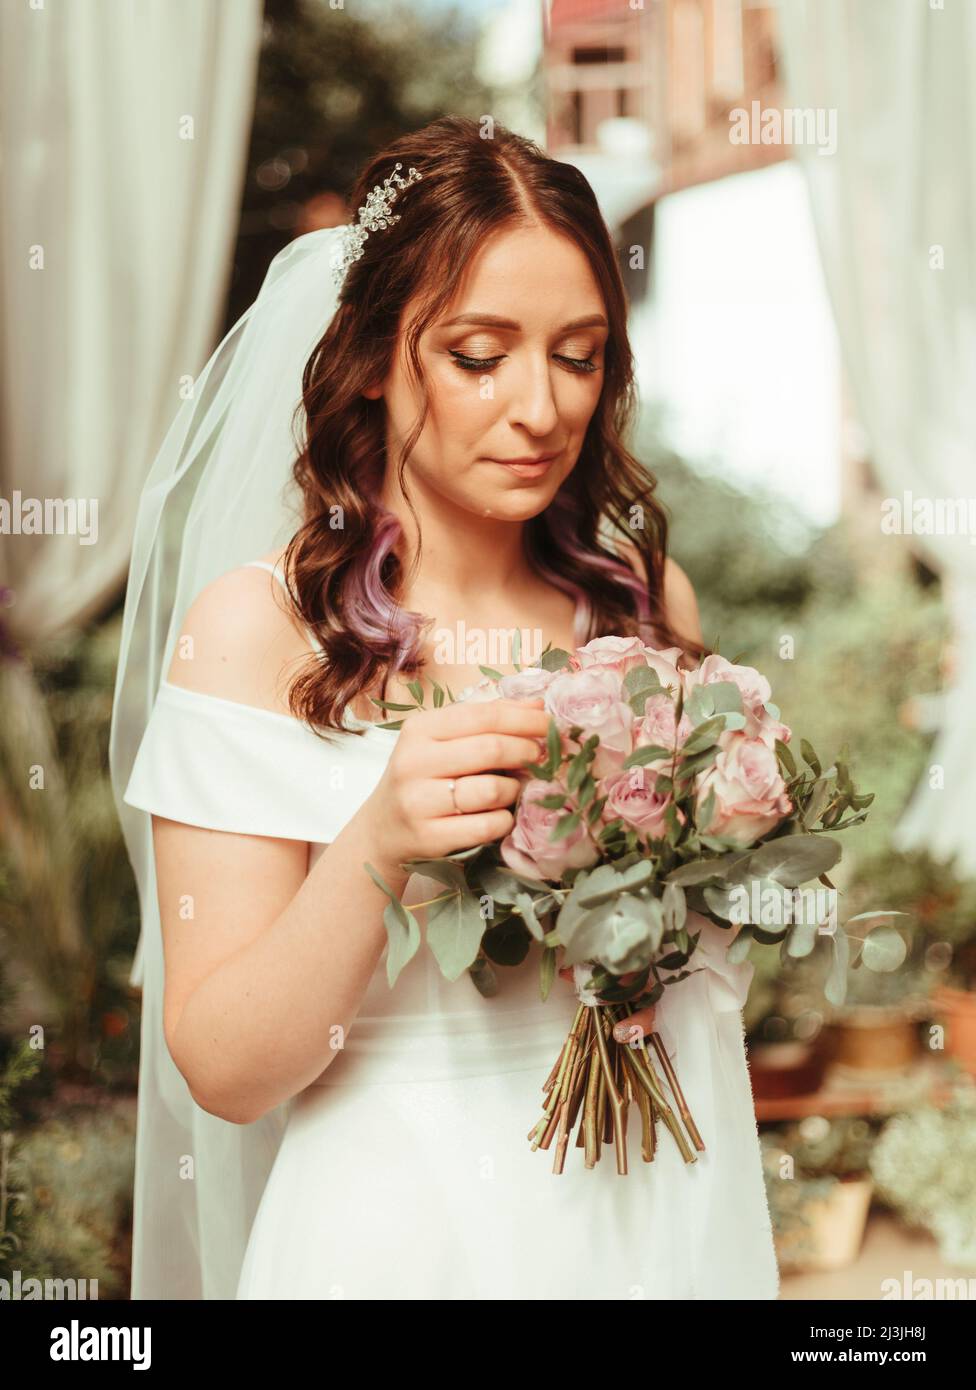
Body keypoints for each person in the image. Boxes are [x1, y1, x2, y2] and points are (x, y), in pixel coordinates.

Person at [111, 114, 779, 1300]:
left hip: (664, 1206)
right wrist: (378, 845)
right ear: (372, 356)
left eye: (577, 355)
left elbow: (701, 966)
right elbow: (224, 1070)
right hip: (404, 1234)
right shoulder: (258, 631)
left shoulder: (641, 603)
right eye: (479, 355)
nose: (540, 409)